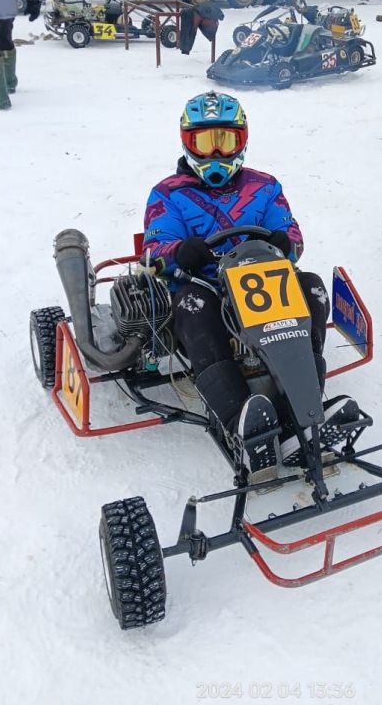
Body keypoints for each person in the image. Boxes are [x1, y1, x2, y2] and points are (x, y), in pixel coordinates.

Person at [142, 90, 358, 478]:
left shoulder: (263, 186)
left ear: (241, 140)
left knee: (310, 287)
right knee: (193, 309)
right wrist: (180, 252)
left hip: (259, 277)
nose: (216, 155)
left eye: (225, 141)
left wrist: (283, 243)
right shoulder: (168, 193)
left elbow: (292, 235)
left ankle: (305, 411)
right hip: (204, 284)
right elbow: (156, 249)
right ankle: (243, 422)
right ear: (187, 142)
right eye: (204, 143)